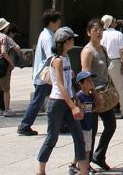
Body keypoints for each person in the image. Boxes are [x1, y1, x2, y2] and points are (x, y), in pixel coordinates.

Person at [36, 27, 88, 175]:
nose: (73, 41)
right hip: (57, 102)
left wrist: (76, 99)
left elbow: (68, 83)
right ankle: (41, 170)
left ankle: (83, 171)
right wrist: (73, 106)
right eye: (71, 39)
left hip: (69, 100)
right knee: (52, 137)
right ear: (65, 42)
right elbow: (59, 85)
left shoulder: (67, 58)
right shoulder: (57, 60)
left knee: (79, 136)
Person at [18, 9, 63, 136]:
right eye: (58, 22)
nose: (59, 24)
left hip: (43, 74)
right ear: (51, 22)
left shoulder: (46, 34)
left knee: (53, 99)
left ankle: (61, 124)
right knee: (42, 100)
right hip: (45, 75)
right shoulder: (48, 37)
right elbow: (51, 56)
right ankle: (25, 124)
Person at [81, 19, 117, 171]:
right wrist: (95, 95)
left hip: (104, 93)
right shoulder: (88, 51)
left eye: (100, 29)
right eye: (94, 29)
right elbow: (85, 75)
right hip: (92, 94)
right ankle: (84, 162)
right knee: (91, 130)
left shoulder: (103, 48)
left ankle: (99, 156)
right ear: (88, 33)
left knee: (110, 126)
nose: (98, 32)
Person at [100, 14, 123, 119]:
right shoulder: (118, 34)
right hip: (115, 62)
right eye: (114, 19)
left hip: (104, 62)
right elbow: (122, 49)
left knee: (104, 87)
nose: (116, 20)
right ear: (111, 22)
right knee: (120, 88)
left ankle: (103, 110)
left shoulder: (102, 34)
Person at [0, 17, 19, 116]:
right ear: (5, 27)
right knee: (6, 89)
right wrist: (11, 63)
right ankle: (7, 110)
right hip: (2, 65)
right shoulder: (4, 37)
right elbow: (4, 52)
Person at [72, 71, 97, 175]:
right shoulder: (79, 96)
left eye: (92, 80)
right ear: (81, 83)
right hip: (82, 126)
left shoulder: (91, 96)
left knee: (85, 148)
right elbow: (79, 108)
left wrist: (95, 93)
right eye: (88, 81)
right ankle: (85, 168)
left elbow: (94, 108)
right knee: (86, 150)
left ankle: (73, 164)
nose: (91, 83)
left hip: (89, 125)